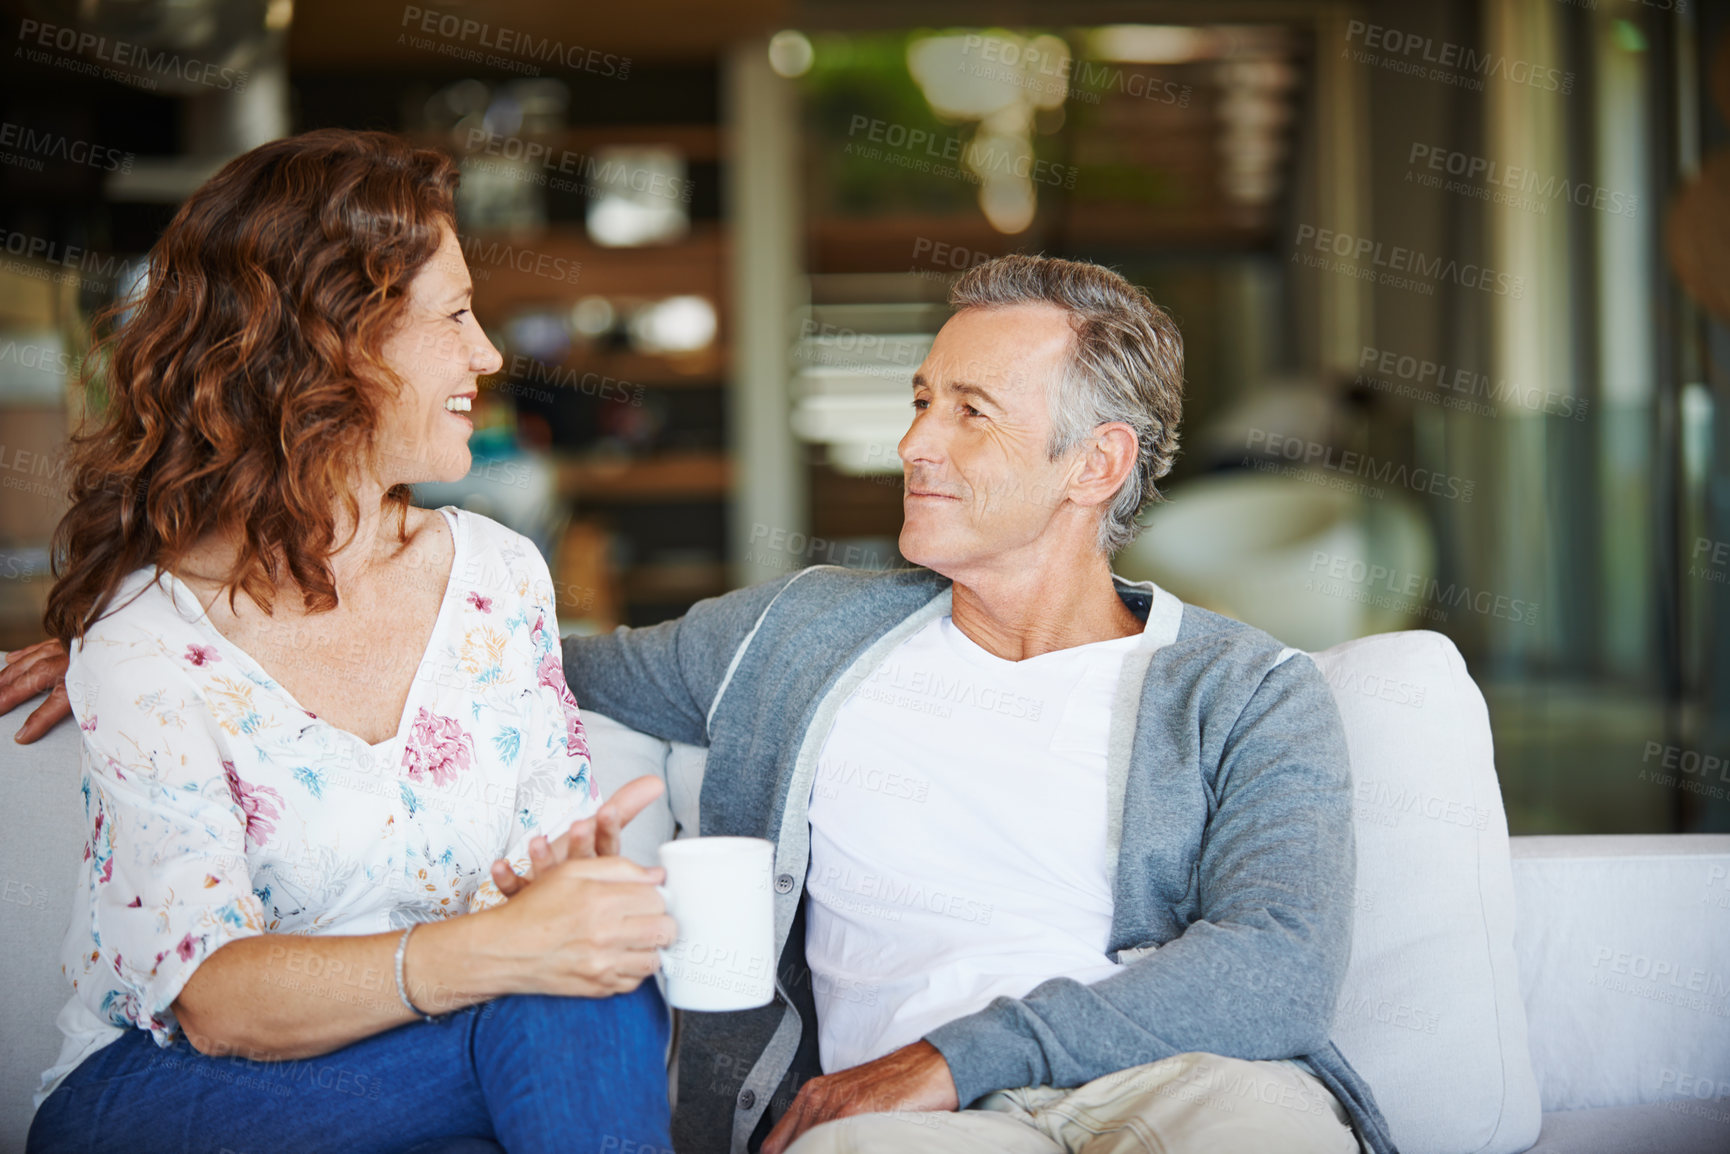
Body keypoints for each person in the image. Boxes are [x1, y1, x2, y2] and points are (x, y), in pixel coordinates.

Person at [3, 256, 1400, 1151]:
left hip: (1173, 1081)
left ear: (1093, 463)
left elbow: (1274, 963)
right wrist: (188, 621)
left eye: (966, 410)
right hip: (890, 1125)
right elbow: (503, 650)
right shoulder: (796, 635)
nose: (911, 440)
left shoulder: (1245, 691)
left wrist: (954, 1053)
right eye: (918, 397)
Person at [7, 129, 676, 1154]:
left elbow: (537, 894)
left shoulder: (497, 578)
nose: (489, 353)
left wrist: (564, 891)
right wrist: (504, 947)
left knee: (573, 996)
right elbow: (215, 1003)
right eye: (453, 315)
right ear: (333, 342)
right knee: (558, 1001)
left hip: (444, 1056)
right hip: (178, 1091)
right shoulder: (146, 639)